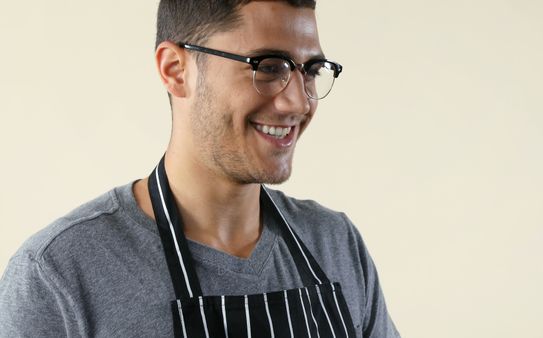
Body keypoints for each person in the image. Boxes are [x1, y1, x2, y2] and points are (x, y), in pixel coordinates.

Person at [0, 0, 400, 337]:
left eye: (310, 70)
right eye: (270, 66)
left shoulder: (334, 243)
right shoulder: (60, 274)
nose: (298, 103)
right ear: (176, 69)